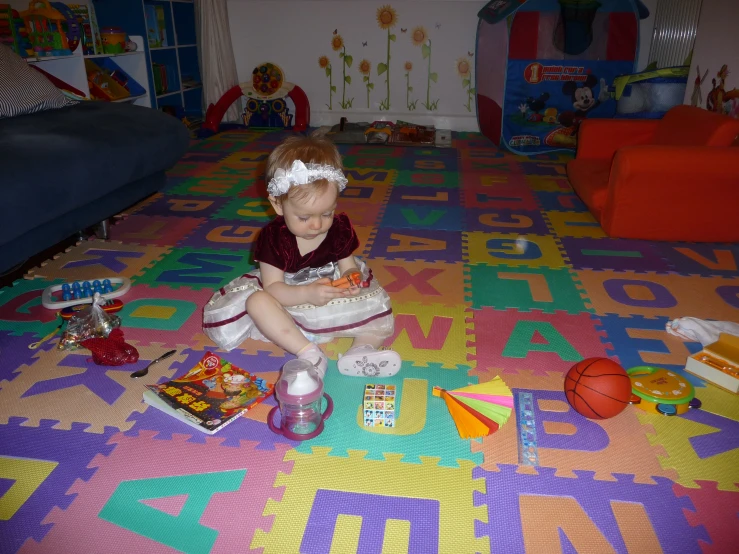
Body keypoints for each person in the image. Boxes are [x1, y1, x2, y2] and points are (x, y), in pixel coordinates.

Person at [203, 135, 401, 378]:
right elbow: (274, 288)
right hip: (289, 296)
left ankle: (361, 349)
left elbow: (349, 267)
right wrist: (306, 293)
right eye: (304, 218)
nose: (317, 224)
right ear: (277, 205)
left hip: (331, 295)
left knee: (377, 304)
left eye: (327, 213)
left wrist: (351, 280)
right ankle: (308, 353)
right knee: (256, 302)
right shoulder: (273, 238)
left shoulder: (339, 228)